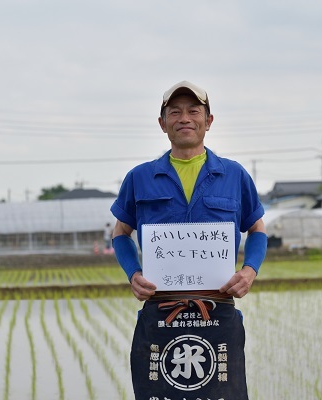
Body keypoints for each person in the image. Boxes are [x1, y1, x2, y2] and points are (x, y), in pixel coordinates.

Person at [111, 81, 267, 400]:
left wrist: (249, 271)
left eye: (194, 111)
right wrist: (133, 274)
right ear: (162, 123)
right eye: (175, 112)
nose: (185, 118)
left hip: (217, 310)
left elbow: (258, 229)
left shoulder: (234, 175)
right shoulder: (139, 178)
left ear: (208, 121)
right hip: (161, 311)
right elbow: (120, 234)